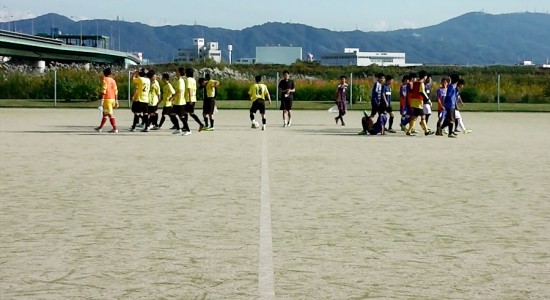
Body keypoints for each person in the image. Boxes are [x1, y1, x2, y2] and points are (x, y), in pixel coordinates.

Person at [406, 70, 434, 136]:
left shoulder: (415, 83)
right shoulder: (421, 83)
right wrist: (428, 99)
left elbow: (412, 90)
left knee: (414, 117)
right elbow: (422, 92)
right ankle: (426, 131)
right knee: (423, 116)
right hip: (418, 102)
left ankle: (409, 131)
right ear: (425, 76)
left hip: (414, 101)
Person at [95, 67, 119, 133]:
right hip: (113, 98)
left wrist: (102, 99)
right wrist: (116, 100)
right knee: (105, 113)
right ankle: (100, 127)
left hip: (107, 99)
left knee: (110, 114)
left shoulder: (105, 79)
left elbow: (104, 90)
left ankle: (115, 128)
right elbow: (116, 90)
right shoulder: (113, 80)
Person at [184, 68, 204, 134]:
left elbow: (189, 89)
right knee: (189, 113)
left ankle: (186, 127)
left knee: (186, 113)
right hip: (193, 98)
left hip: (188, 99)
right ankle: (200, 124)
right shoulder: (193, 79)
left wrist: (189, 99)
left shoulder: (188, 79)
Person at [130, 68, 150, 132]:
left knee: (137, 114)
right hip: (146, 99)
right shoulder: (148, 80)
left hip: (140, 98)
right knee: (146, 114)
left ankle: (133, 127)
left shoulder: (140, 79)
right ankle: (146, 127)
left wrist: (135, 72)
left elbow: (132, 79)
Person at [171, 67, 190, 135]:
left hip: (180, 102)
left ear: (179, 73)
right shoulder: (177, 80)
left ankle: (188, 130)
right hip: (177, 102)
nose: (176, 72)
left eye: (177, 71)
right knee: (172, 115)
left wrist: (172, 97)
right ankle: (178, 129)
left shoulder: (180, 81)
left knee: (182, 117)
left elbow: (179, 91)